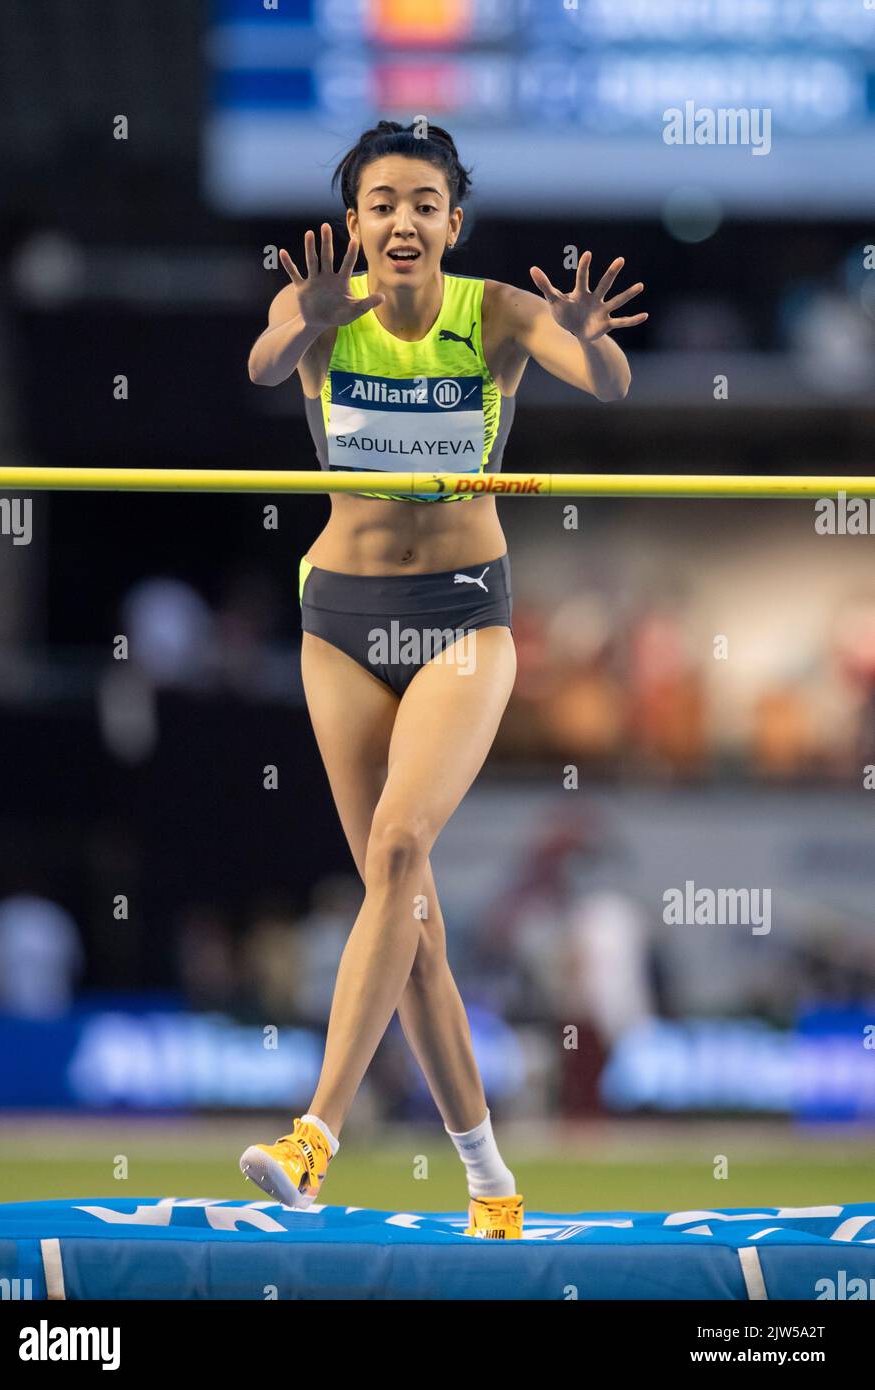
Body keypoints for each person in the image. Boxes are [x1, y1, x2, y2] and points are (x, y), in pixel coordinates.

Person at [239, 120, 646, 1238]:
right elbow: (266, 360)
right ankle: (492, 1185)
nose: (404, 221)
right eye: (382, 203)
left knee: (399, 849)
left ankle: (314, 1133)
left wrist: (589, 340)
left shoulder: (501, 313)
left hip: (463, 617)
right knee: (406, 914)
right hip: (341, 624)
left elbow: (604, 383)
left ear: (451, 223)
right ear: (356, 222)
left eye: (424, 203)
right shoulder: (315, 306)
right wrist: (305, 327)